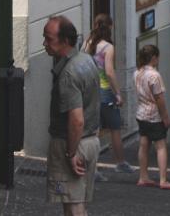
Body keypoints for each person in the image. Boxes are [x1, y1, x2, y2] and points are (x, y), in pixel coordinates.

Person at [43, 16, 102, 215]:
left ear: (65, 41)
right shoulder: (86, 60)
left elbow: (76, 119)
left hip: (74, 144)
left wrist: (71, 153)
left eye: (49, 39)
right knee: (79, 202)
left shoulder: (68, 74)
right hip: (91, 140)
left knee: (73, 205)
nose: (44, 43)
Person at [82, 14, 134, 175]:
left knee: (93, 131)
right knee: (115, 128)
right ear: (110, 27)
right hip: (104, 92)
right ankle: (120, 162)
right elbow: (110, 72)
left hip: (88, 90)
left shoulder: (86, 44)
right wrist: (118, 94)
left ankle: (92, 167)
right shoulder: (108, 48)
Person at [134, 44, 170, 190]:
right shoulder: (154, 75)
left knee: (143, 145)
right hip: (154, 115)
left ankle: (143, 176)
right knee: (161, 147)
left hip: (141, 113)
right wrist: (165, 117)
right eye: (157, 57)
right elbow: (159, 99)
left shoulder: (137, 73)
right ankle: (163, 180)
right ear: (153, 58)